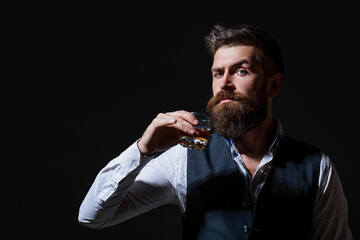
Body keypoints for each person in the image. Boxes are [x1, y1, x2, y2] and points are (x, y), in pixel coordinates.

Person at [78, 24, 353, 239]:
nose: (224, 84)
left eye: (241, 71)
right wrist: (143, 150)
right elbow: (93, 216)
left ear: (273, 85)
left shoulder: (317, 166)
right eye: (217, 73)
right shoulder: (187, 153)